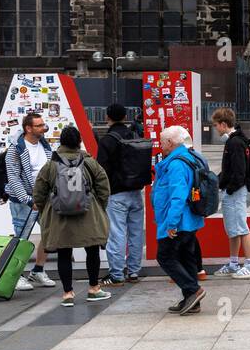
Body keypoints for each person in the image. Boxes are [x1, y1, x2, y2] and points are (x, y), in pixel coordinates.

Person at [32, 126, 112, 307]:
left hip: (60, 216)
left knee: (64, 253)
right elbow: (103, 186)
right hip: (88, 214)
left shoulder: (51, 164)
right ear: (79, 141)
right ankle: (93, 288)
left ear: (61, 142)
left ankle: (67, 293)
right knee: (92, 251)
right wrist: (99, 206)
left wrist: (46, 209)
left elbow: (39, 191)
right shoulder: (89, 162)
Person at [152, 125, 207, 315]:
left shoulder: (176, 164)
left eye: (162, 142)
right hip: (189, 220)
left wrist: (171, 223)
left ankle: (193, 290)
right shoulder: (188, 157)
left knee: (165, 256)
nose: (160, 145)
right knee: (186, 257)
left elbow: (178, 195)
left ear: (170, 143)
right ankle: (191, 300)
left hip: (178, 220)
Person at [96, 104, 146, 286]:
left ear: (107, 117)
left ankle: (116, 274)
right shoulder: (134, 135)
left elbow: (100, 170)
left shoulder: (107, 141)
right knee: (136, 233)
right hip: (135, 191)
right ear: (125, 116)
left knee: (116, 234)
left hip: (116, 194)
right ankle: (133, 272)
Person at [6, 112, 57, 291]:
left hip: (44, 199)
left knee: (48, 234)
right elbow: (13, 178)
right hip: (23, 202)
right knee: (22, 238)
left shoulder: (46, 146)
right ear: (28, 128)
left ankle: (38, 270)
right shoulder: (16, 148)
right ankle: (16, 275)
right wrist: (28, 200)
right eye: (39, 125)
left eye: (43, 125)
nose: (44, 128)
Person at [211, 107, 250, 279]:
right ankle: (233, 263)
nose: (215, 128)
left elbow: (239, 172)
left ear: (224, 124)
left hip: (236, 192)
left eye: (216, 125)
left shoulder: (235, 143)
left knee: (241, 227)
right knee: (233, 229)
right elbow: (231, 170)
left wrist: (229, 188)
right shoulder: (234, 141)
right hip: (232, 190)